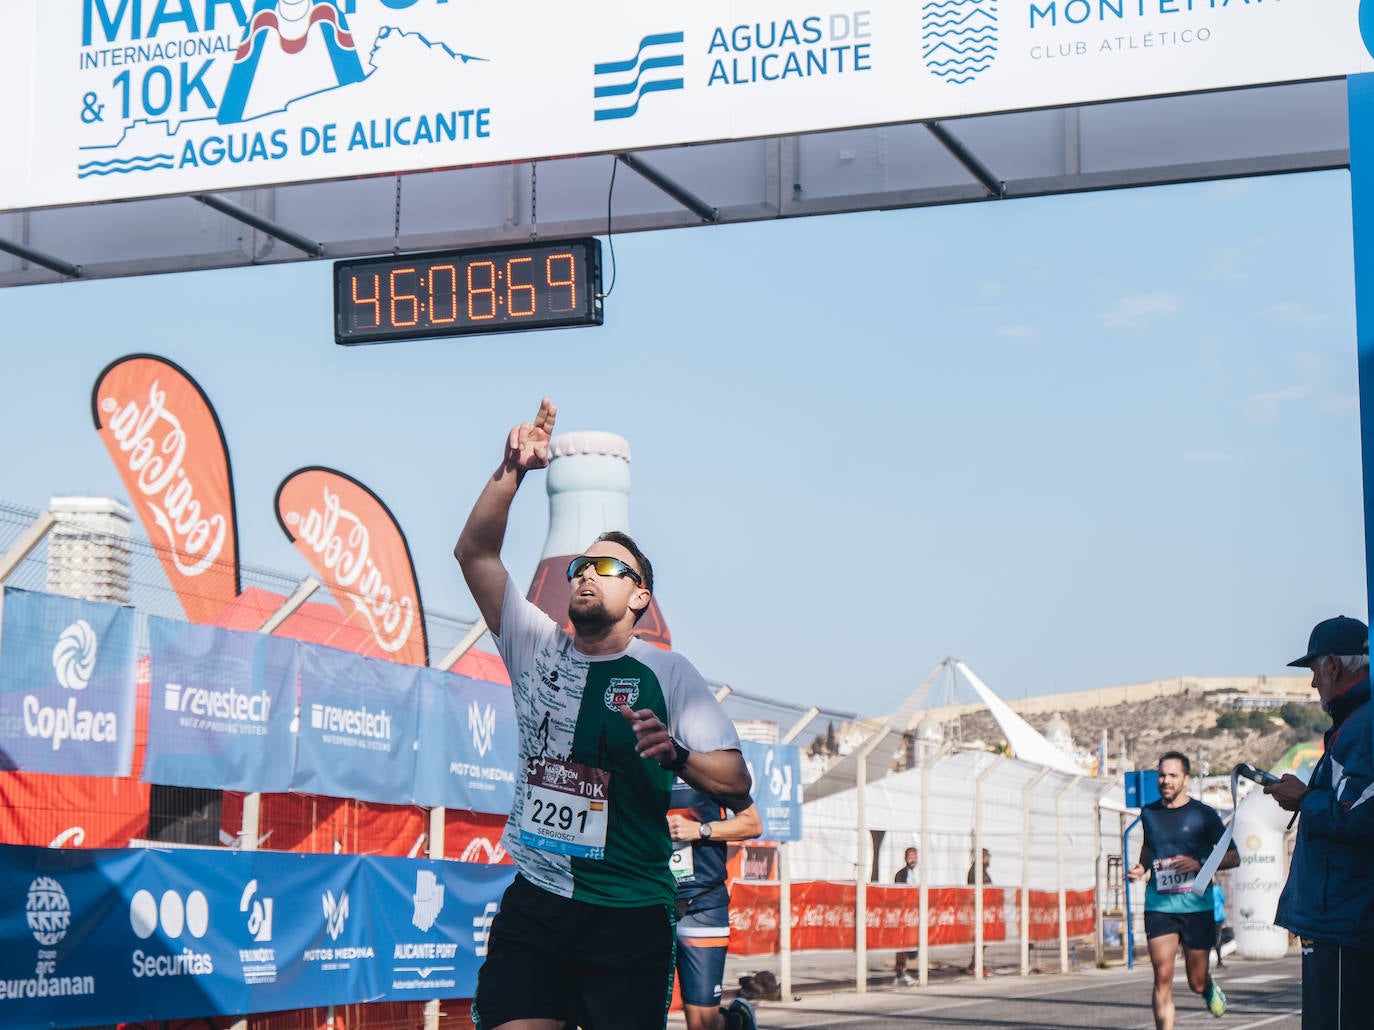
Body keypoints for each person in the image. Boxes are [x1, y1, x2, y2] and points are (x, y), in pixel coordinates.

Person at [454, 398, 755, 1030]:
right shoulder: (535, 644)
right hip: (537, 901)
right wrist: (512, 470)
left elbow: (735, 784)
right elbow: (475, 554)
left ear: (640, 596)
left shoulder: (668, 674)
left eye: (609, 568)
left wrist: (675, 753)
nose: (588, 573)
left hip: (627, 913)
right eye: (581, 565)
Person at [1263, 615, 1374, 1030]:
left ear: (1333, 665)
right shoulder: (1354, 723)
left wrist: (1305, 799)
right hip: (1342, 917)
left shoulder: (1362, 726)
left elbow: (1360, 816)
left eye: (1313, 671)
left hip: (1346, 921)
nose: (1312, 684)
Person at [1127, 751, 1238, 1029]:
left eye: (1172, 775)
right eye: (1162, 775)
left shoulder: (1203, 814)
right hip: (1160, 905)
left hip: (1196, 906)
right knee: (1161, 975)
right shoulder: (1149, 813)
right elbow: (1149, 848)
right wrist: (1141, 868)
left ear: (1186, 779)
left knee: (1195, 980)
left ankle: (1207, 987)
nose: (1165, 781)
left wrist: (1198, 862)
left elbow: (1233, 856)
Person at [668, 782, 763, 1030]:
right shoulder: (634, 760)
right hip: (649, 902)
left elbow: (753, 823)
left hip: (702, 906)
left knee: (702, 1024)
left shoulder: (705, 765)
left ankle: (737, 1022)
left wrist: (701, 829)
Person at [893, 846, 919, 985]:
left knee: (912, 945)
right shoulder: (902, 874)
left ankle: (902, 970)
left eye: (914, 856)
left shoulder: (916, 873)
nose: (913, 859)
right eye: (910, 856)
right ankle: (900, 971)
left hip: (914, 914)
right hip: (905, 914)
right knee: (903, 944)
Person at [966, 847, 992, 975]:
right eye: (987, 857)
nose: (988, 859)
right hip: (978, 909)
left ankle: (975, 963)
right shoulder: (977, 871)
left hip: (984, 909)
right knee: (981, 938)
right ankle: (976, 964)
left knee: (984, 939)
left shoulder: (981, 870)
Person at [1211, 881, 1226, 970]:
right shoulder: (1217, 889)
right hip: (1218, 916)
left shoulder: (1206, 890)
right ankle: (1219, 961)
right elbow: (1223, 900)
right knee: (1217, 938)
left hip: (1209, 916)